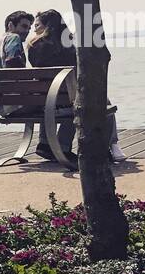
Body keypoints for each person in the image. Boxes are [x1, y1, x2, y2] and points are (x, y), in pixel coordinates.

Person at [25, 9, 124, 164]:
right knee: (102, 102)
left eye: (37, 25)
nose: (34, 29)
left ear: (46, 26)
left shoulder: (33, 46)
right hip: (66, 102)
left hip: (45, 103)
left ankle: (45, 143)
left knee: (60, 98)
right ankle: (109, 145)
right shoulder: (71, 46)